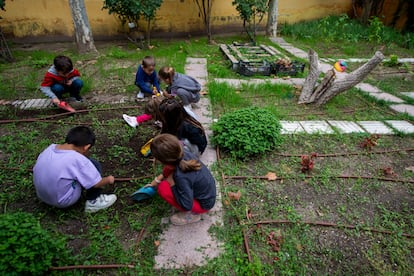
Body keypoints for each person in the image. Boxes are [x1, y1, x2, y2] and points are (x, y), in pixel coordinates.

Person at [33, 126, 117, 213]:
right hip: (62, 201)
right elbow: (96, 184)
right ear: (86, 147)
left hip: (42, 196)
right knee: (94, 164)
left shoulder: (50, 148)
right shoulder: (77, 159)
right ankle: (93, 201)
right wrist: (108, 180)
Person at [147, 134, 216, 225]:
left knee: (163, 188)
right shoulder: (182, 154)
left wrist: (172, 184)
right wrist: (157, 180)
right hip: (208, 194)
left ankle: (193, 215)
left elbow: (187, 205)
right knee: (166, 178)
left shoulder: (181, 177)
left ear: (161, 161)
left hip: (203, 205)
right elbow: (168, 168)